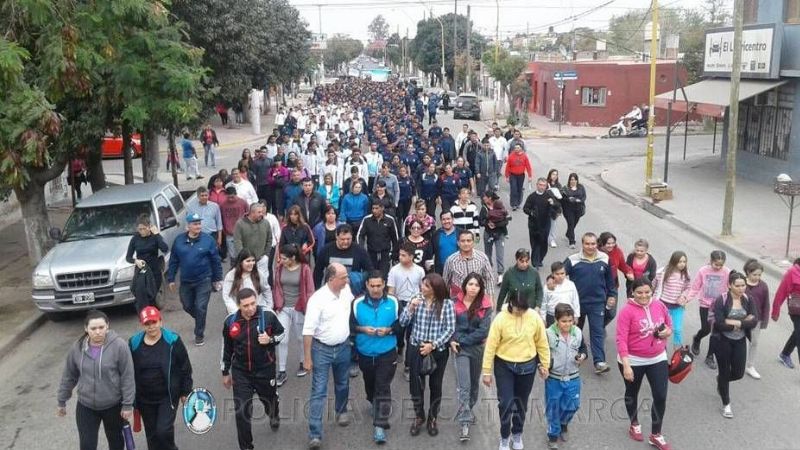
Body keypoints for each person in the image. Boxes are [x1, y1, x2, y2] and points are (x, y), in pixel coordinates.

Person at [482, 283, 550, 450]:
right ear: (510, 303)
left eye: (523, 309)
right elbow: (491, 346)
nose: (520, 312)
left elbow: (542, 343)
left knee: (521, 404)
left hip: (527, 366)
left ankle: (517, 433)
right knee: (505, 403)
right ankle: (505, 437)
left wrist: (545, 364)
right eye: (517, 309)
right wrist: (486, 371)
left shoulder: (534, 317)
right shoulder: (501, 319)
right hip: (504, 365)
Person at [57, 310, 135, 450]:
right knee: (87, 445)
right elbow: (69, 375)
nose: (98, 332)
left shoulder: (119, 346)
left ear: (107, 326)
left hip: (113, 406)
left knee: (116, 443)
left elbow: (127, 377)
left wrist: (127, 405)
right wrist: (61, 400)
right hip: (86, 406)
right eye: (93, 328)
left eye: (101, 327)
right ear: (86, 328)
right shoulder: (77, 348)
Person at [222, 288, 285, 449]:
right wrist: (225, 371)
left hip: (265, 369)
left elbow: (281, 333)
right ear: (239, 306)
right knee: (241, 411)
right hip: (241, 372)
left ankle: (273, 414)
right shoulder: (230, 321)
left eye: (253, 303)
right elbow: (226, 348)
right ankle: (246, 447)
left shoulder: (268, 316)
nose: (250, 308)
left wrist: (270, 340)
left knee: (269, 400)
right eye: (246, 305)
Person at [616, 278, 673, 450]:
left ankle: (656, 434)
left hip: (657, 357)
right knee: (632, 392)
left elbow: (669, 324)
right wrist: (626, 365)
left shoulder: (659, 305)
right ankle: (634, 423)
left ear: (652, 291)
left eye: (647, 292)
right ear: (632, 292)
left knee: (660, 395)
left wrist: (667, 332)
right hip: (633, 360)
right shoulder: (626, 312)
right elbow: (621, 339)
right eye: (639, 292)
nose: (644, 296)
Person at [303, 264, 355, 450]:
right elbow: (308, 331)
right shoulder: (317, 300)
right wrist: (307, 358)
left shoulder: (346, 291)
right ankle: (315, 434)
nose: (347, 280)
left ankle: (341, 410)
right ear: (332, 279)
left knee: (343, 383)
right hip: (321, 350)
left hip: (343, 347)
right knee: (318, 391)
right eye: (344, 277)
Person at [399, 273, 455, 438]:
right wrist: (410, 308)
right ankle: (419, 416)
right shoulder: (416, 299)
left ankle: (433, 417)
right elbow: (402, 322)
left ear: (435, 289)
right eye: (422, 284)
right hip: (416, 348)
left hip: (437, 350)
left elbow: (450, 329)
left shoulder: (447, 304)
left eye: (426, 286)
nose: (422, 287)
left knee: (436, 385)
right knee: (416, 386)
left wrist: (433, 345)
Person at [129, 307, 193, 450]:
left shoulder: (173, 340)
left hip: (167, 396)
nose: (151, 326)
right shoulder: (134, 343)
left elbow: (185, 367)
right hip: (144, 399)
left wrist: (185, 391)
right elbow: (128, 370)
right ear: (142, 324)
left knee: (163, 431)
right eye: (147, 323)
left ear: (160, 322)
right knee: (152, 436)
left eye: (154, 322)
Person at [350, 271, 400, 444]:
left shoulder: (393, 301)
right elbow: (350, 326)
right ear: (366, 285)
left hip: (387, 352)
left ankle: (380, 425)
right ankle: (373, 401)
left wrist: (390, 330)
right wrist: (362, 329)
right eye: (372, 286)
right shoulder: (356, 303)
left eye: (379, 285)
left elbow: (401, 324)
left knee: (382, 386)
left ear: (384, 284)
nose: (376, 289)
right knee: (370, 384)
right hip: (365, 353)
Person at [166, 213, 223, 346]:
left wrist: (218, 278)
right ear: (188, 226)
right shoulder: (179, 241)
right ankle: (200, 318)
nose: (198, 226)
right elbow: (173, 260)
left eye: (199, 223)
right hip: (186, 281)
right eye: (195, 224)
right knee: (187, 305)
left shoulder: (208, 240)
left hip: (204, 279)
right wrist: (171, 278)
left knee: (200, 306)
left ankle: (199, 334)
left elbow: (216, 260)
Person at [563, 232, 616, 374]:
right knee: (575, 332)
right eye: (587, 244)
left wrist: (612, 295)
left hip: (598, 303)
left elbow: (610, 280)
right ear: (582, 244)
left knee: (597, 332)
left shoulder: (605, 259)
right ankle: (575, 356)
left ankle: (599, 362)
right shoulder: (572, 260)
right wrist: (552, 284)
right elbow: (559, 274)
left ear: (597, 244)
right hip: (577, 304)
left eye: (593, 244)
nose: (590, 247)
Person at [451, 273, 493, 442]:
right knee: (464, 386)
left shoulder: (485, 305)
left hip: (476, 348)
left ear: (480, 288)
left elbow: (483, 331)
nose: (473, 288)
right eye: (470, 284)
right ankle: (465, 422)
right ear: (464, 286)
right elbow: (450, 325)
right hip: (459, 350)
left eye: (476, 285)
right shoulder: (454, 302)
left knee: (474, 384)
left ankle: (469, 408)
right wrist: (453, 340)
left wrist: (461, 340)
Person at [712, 271, 758, 419]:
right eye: (737, 286)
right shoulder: (721, 300)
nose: (741, 288)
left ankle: (721, 380)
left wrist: (734, 322)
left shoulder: (748, 299)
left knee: (738, 373)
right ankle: (726, 404)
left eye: (743, 285)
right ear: (729, 285)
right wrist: (743, 322)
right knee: (725, 371)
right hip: (722, 341)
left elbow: (754, 321)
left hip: (740, 340)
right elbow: (719, 324)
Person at [544, 304, 586, 450]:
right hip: (554, 378)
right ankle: (553, 435)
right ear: (556, 320)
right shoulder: (548, 334)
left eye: (570, 321)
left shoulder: (578, 332)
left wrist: (582, 356)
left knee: (573, 405)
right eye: (563, 321)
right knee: (553, 407)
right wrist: (543, 366)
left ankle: (563, 423)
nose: (567, 324)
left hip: (573, 376)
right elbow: (541, 352)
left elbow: (583, 348)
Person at [273, 244, 315, 385]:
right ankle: (282, 371)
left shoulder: (305, 269)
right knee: (282, 339)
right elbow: (276, 287)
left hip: (299, 308)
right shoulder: (279, 268)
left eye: (284, 258)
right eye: (281, 258)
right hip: (283, 308)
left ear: (293, 258)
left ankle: (303, 362)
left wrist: (308, 308)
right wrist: (277, 304)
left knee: (300, 338)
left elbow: (310, 290)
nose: (281, 261)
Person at [387, 243, 427, 378]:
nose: (400, 257)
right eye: (400, 254)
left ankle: (408, 366)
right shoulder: (394, 270)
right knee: (399, 332)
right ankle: (400, 347)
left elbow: (422, 289)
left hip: (414, 304)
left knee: (411, 336)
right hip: (400, 304)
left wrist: (421, 302)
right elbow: (391, 290)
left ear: (411, 256)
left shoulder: (420, 271)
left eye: (403, 255)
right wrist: (392, 305)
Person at [687, 250, 731, 369]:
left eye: (721, 265)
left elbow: (731, 287)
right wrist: (687, 299)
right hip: (705, 305)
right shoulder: (703, 271)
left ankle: (710, 356)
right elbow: (695, 287)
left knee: (716, 332)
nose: (718, 267)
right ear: (711, 261)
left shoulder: (727, 272)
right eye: (716, 264)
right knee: (706, 329)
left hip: (719, 306)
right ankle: (697, 338)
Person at [126, 214, 168, 312]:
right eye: (139, 229)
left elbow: (165, 248)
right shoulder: (135, 238)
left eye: (144, 229)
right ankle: (143, 314)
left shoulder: (155, 237)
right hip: (142, 269)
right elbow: (128, 257)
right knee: (141, 294)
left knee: (152, 296)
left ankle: (152, 316)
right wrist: (136, 261)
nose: (142, 231)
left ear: (149, 227)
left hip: (154, 270)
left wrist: (157, 234)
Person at [314, 224, 373, 289]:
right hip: (331, 289)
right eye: (342, 239)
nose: (345, 242)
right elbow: (318, 272)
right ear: (336, 236)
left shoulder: (360, 251)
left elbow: (370, 271)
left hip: (352, 289)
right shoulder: (326, 250)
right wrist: (317, 289)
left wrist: (356, 279)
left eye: (348, 239)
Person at [651, 251, 691, 347]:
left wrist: (683, 296)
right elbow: (654, 285)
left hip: (677, 306)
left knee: (677, 329)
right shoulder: (663, 272)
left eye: (684, 262)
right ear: (674, 261)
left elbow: (688, 287)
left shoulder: (685, 274)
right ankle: (660, 347)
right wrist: (651, 298)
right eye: (680, 262)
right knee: (661, 328)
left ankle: (677, 349)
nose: (682, 264)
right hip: (663, 305)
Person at [443, 229, 497, 299]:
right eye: (463, 241)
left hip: (478, 297)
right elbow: (446, 281)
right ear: (458, 243)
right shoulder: (451, 260)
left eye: (468, 241)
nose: (466, 243)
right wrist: (445, 300)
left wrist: (490, 298)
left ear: (473, 242)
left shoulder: (482, 258)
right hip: (458, 299)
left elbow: (489, 279)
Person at [523, 178, 561, 268]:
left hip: (545, 223)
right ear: (537, 185)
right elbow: (525, 208)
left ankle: (540, 259)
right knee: (535, 244)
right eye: (540, 185)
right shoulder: (532, 197)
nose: (542, 187)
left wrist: (553, 203)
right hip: (534, 224)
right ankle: (535, 263)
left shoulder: (549, 195)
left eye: (544, 185)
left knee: (543, 244)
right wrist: (531, 213)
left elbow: (558, 206)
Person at [598, 232, 634, 327]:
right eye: (608, 243)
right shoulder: (595, 252)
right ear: (602, 243)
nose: (611, 245)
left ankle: (600, 327)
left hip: (612, 287)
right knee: (598, 311)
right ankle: (598, 330)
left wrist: (628, 272)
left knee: (611, 313)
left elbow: (622, 265)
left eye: (613, 243)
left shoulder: (617, 251)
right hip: (598, 287)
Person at [222, 249, 273, 314]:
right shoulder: (231, 275)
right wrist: (236, 312)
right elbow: (226, 296)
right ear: (241, 262)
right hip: (238, 312)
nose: (251, 263)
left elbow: (266, 290)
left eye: (253, 260)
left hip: (256, 311)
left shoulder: (258, 273)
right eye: (248, 261)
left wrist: (269, 307)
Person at [742, 259, 769, 379]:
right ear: (748, 272)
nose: (757, 277)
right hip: (740, 318)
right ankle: (733, 362)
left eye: (759, 275)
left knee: (754, 342)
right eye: (754, 274)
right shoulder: (741, 283)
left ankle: (750, 366)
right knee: (737, 340)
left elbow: (766, 304)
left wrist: (764, 320)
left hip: (756, 319)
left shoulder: (763, 286)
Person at [772, 258, 800, 369]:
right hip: (797, 309)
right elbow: (781, 292)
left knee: (797, 333)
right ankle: (785, 355)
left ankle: (784, 354)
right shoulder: (792, 272)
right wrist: (775, 311)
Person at [357, 202, 399, 275]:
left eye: (376, 208)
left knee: (384, 275)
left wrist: (393, 253)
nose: (374, 210)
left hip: (385, 254)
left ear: (382, 208)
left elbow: (395, 238)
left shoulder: (390, 220)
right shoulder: (366, 220)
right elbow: (360, 236)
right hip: (371, 253)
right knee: (371, 275)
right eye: (373, 208)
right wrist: (362, 250)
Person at [233, 202, 272, 279]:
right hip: (246, 261)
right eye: (259, 212)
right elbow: (237, 241)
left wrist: (266, 254)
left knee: (262, 281)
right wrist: (243, 258)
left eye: (262, 212)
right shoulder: (240, 224)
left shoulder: (266, 223)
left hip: (262, 260)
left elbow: (269, 239)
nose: (262, 214)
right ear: (252, 213)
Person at [496, 248, 543, 312]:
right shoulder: (509, 273)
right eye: (522, 261)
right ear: (516, 259)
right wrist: (498, 310)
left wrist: (538, 306)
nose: (524, 264)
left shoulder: (534, 273)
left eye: (526, 261)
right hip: (513, 310)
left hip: (530, 310)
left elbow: (539, 290)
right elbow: (502, 293)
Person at [479, 192, 509, 283]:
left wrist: (496, 225)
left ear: (490, 198)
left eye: (485, 197)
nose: (483, 198)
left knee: (500, 254)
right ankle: (489, 271)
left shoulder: (500, 206)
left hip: (500, 233)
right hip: (488, 233)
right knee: (488, 254)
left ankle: (500, 274)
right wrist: (487, 223)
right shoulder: (484, 208)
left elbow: (506, 221)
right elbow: (481, 221)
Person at [543, 261, 581, 327]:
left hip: (568, 316)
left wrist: (576, 315)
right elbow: (543, 304)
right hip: (552, 316)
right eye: (557, 274)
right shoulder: (547, 287)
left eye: (562, 273)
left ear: (565, 273)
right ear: (552, 274)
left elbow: (575, 301)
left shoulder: (571, 285)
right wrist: (543, 318)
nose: (560, 276)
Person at [187, 186, 223, 251]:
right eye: (202, 195)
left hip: (212, 235)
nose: (204, 197)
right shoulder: (191, 207)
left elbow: (219, 223)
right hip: (197, 235)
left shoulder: (215, 206)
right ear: (198, 196)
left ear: (208, 195)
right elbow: (188, 223)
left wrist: (219, 238)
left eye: (206, 195)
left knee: (213, 253)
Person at [219, 187, 249, 262]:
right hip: (229, 233)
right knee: (233, 256)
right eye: (228, 197)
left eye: (232, 197)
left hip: (242, 233)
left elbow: (248, 216)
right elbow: (221, 219)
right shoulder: (222, 205)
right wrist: (224, 231)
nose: (230, 199)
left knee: (243, 254)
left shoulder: (243, 202)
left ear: (236, 194)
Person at [505, 144, 533, 211]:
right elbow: (508, 166)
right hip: (513, 175)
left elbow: (528, 166)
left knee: (519, 189)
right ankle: (513, 204)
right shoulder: (511, 156)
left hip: (521, 175)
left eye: (518, 148)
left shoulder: (524, 156)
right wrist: (507, 176)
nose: (516, 149)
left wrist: (530, 176)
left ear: (521, 148)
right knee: (513, 189)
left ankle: (518, 203)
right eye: (515, 148)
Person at [561, 173, 586, 249]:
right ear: (569, 180)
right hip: (568, 209)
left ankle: (568, 233)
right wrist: (568, 199)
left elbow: (584, 196)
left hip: (578, 209)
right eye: (571, 180)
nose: (573, 181)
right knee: (571, 224)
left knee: (574, 223)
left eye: (575, 180)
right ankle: (572, 242)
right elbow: (562, 199)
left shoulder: (581, 187)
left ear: (577, 180)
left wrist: (580, 200)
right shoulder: (565, 188)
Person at [546, 169, 562, 248]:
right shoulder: (546, 184)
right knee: (545, 224)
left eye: (556, 174)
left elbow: (561, 199)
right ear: (550, 175)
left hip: (555, 208)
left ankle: (552, 239)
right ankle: (544, 238)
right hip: (546, 208)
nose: (554, 176)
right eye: (553, 174)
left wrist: (559, 210)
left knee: (553, 225)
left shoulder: (559, 185)